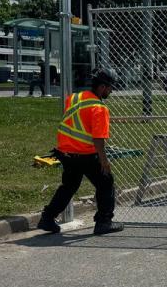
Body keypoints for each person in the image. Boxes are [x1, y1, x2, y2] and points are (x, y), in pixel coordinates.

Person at [37, 68, 124, 235]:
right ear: (102, 87)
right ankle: (104, 222)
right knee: (106, 183)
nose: (111, 91)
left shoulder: (75, 98)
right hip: (86, 154)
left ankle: (47, 218)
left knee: (69, 186)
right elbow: (98, 139)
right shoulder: (99, 108)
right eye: (110, 87)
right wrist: (104, 161)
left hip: (65, 152)